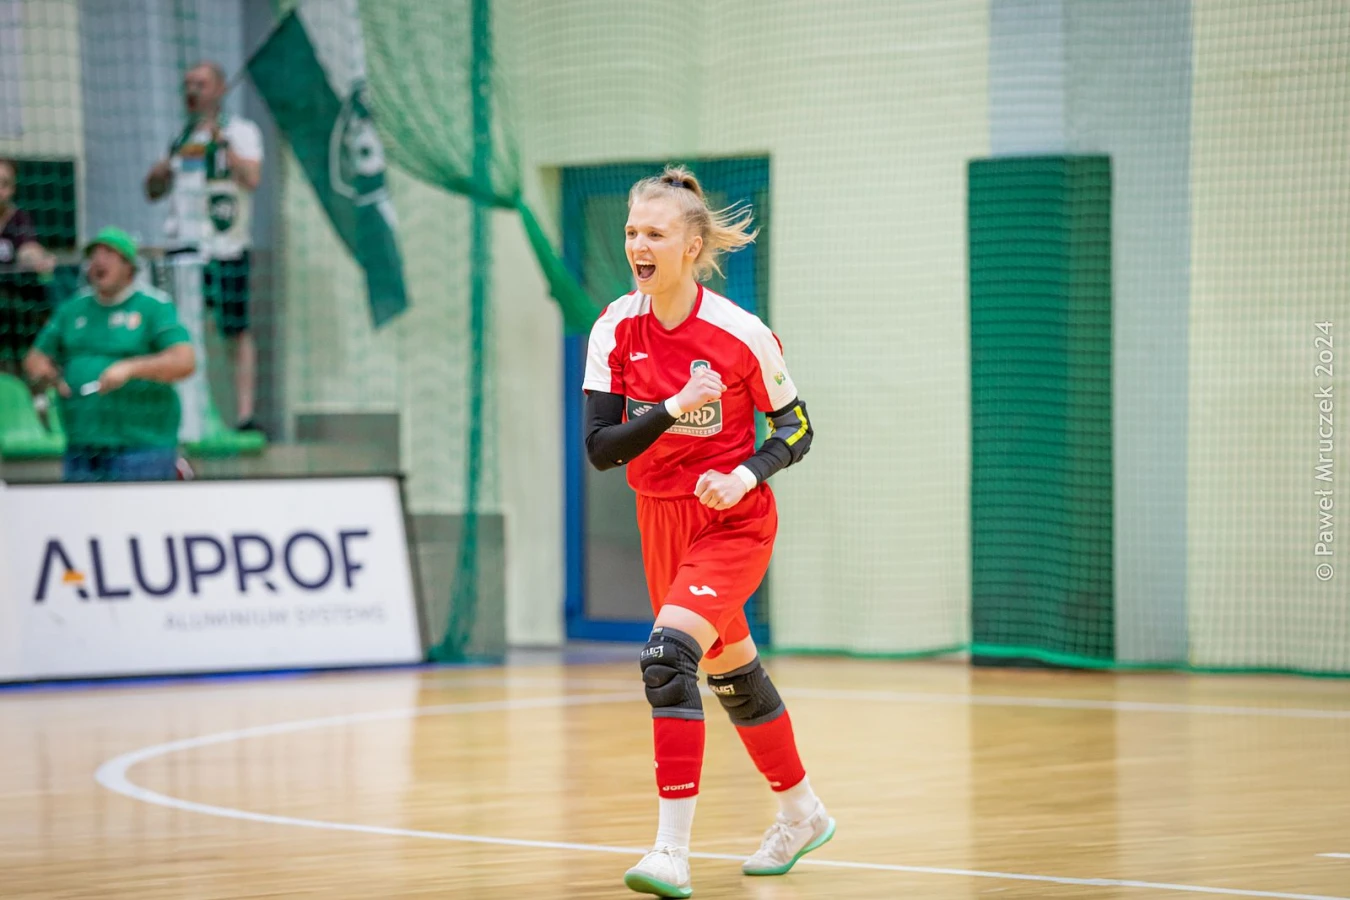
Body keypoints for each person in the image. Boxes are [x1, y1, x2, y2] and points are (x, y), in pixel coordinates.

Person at [583, 166, 832, 898]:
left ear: (691, 246)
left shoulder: (739, 333)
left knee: (668, 659)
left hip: (732, 521)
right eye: (632, 232)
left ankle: (671, 852)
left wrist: (747, 475)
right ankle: (803, 813)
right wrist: (673, 405)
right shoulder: (614, 326)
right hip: (658, 516)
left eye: (655, 234)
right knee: (732, 672)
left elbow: (797, 427)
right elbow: (601, 449)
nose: (639, 245)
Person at [144, 60, 264, 433]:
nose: (192, 91)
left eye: (200, 84)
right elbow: (153, 192)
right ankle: (186, 413)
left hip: (225, 248)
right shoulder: (180, 138)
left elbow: (252, 178)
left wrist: (223, 143)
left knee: (235, 330)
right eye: (187, 85)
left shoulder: (241, 132)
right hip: (183, 249)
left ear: (220, 89)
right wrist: (159, 172)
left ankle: (243, 415)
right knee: (181, 330)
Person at [24, 227, 195, 482]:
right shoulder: (73, 309)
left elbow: (184, 361)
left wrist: (129, 369)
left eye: (108, 254)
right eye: (94, 255)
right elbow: (35, 359)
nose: (98, 261)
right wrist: (49, 376)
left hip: (142, 446)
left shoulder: (154, 307)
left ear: (128, 266)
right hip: (83, 443)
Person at [0, 157, 58, 375]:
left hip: (16, 312)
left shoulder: (19, 220)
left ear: (12, 189)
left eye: (4, 183)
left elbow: (28, 249)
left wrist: (38, 259)